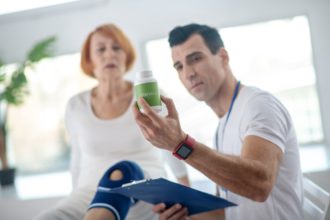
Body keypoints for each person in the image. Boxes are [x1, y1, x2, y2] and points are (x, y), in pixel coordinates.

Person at [132, 23, 304, 220]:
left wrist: (180, 144)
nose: (188, 73)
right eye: (179, 66)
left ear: (223, 57)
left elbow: (259, 185)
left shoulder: (259, 105)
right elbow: (226, 212)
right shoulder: (222, 126)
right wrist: (184, 215)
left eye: (195, 59)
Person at [34, 23, 189, 220]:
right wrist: (74, 195)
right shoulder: (76, 105)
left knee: (123, 171)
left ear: (127, 56)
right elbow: (77, 160)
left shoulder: (150, 95)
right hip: (89, 192)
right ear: (90, 61)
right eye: (101, 49)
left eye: (117, 48)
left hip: (146, 192)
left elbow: (173, 146)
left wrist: (187, 196)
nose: (110, 54)